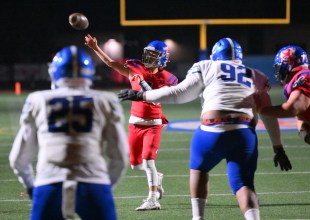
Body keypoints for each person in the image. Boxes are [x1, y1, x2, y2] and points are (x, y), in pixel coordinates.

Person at [118, 38, 292, 220]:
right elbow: (267, 114)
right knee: (244, 185)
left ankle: (198, 217)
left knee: (199, 171)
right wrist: (278, 147)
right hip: (243, 131)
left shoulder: (206, 66)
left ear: (215, 54)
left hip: (211, 129)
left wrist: (142, 95)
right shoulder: (256, 75)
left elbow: (179, 94)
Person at [9, 45, 128, 220]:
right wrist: (104, 187)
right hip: (93, 183)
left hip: (50, 183)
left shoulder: (38, 99)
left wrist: (32, 187)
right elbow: (120, 156)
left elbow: (17, 159)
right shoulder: (105, 100)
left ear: (55, 72)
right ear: (89, 72)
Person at [85, 34, 178, 211]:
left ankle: (153, 199)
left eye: (153, 55)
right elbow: (111, 63)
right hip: (134, 123)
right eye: (147, 54)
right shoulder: (135, 68)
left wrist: (142, 83)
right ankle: (156, 177)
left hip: (153, 123)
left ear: (162, 58)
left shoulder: (168, 78)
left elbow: (155, 100)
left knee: (148, 159)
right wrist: (95, 48)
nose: (148, 58)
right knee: (136, 165)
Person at [258, 45, 310, 144]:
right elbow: (301, 116)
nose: (279, 71)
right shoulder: (292, 84)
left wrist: (260, 109)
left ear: (289, 64)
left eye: (280, 66)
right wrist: (304, 133)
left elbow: (293, 109)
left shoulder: (304, 76)